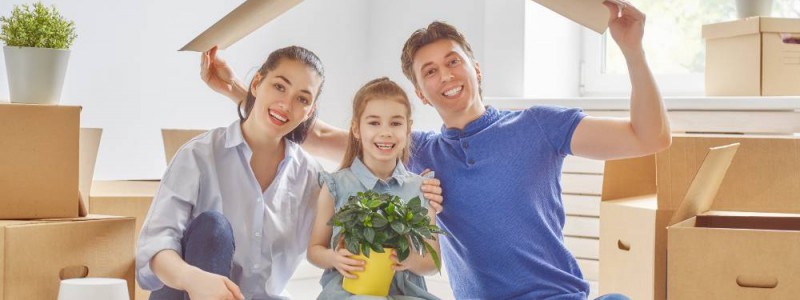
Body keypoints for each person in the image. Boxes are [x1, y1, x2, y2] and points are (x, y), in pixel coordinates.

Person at [202, 1, 669, 298]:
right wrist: (236, 90)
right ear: (420, 95)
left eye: (453, 62)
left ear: (476, 70)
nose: (445, 76)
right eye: (429, 72)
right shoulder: (414, 150)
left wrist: (631, 50)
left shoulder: (540, 126)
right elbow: (314, 131)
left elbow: (649, 138)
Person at [137, 46, 443, 300]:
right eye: (279, 86)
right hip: (188, 293)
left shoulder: (312, 178)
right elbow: (155, 246)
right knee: (213, 227)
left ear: (309, 112)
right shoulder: (199, 155)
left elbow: (369, 159)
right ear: (256, 84)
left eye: (302, 98)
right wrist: (192, 278)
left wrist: (419, 191)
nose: (286, 104)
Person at [307, 78, 440, 300]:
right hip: (350, 292)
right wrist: (334, 258)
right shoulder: (336, 185)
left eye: (396, 123)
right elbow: (314, 249)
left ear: (408, 129)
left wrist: (410, 260)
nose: (386, 132)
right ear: (356, 129)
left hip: (405, 293)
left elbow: (432, 263)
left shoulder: (421, 188)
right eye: (374, 123)